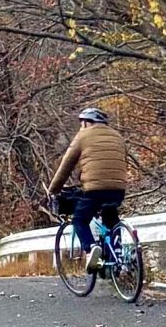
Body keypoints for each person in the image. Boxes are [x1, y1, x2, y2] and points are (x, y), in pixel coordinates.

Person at [48, 105, 128, 264]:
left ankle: (91, 249)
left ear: (87, 122)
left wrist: (53, 189)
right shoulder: (118, 136)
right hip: (119, 188)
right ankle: (116, 257)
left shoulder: (83, 136)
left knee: (80, 220)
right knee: (111, 218)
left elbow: (66, 165)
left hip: (94, 190)